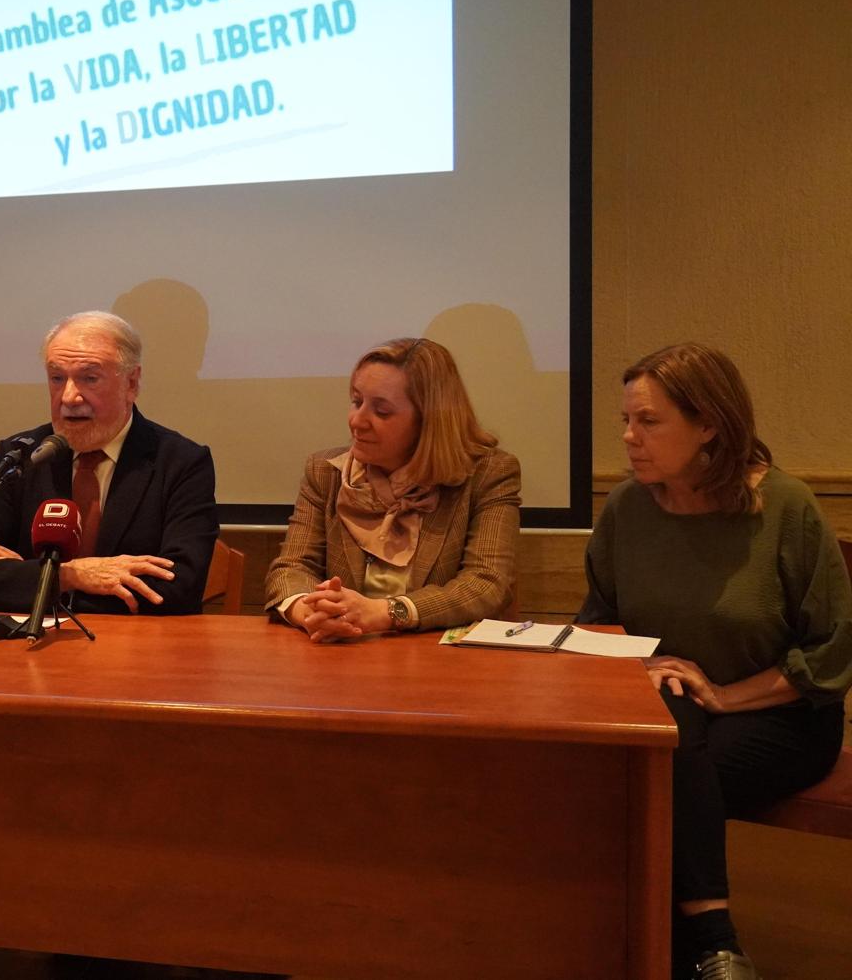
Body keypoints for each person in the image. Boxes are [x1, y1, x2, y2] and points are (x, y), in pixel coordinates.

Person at [578, 343, 851, 980]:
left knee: (656, 788)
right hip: (666, 707)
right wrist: (642, 668)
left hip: (782, 713)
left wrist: (725, 696)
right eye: (625, 421)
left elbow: (833, 648)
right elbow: (598, 622)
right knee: (669, 736)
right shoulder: (626, 509)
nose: (628, 437)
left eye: (649, 421)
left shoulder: (786, 508)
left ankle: (668, 948)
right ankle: (711, 949)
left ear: (709, 426)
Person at [0, 310, 218, 615]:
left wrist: (27, 578)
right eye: (57, 378)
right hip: (27, 651)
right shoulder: (21, 456)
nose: (69, 397)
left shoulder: (182, 462)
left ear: (131, 383)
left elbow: (177, 589)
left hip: (135, 651)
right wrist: (69, 576)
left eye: (89, 378)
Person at [265, 337, 520, 637]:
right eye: (356, 401)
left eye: (382, 412)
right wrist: (312, 611)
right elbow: (291, 567)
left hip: (440, 662)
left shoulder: (488, 474)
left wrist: (388, 612)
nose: (357, 421)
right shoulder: (326, 472)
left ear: (429, 421)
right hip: (342, 657)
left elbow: (485, 584)